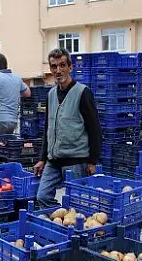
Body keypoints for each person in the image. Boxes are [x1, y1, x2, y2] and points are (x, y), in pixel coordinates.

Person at [34, 48, 103, 209]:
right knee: (42, 196)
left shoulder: (83, 92)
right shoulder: (50, 94)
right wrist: (42, 158)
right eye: (54, 67)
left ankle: (72, 226)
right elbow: (48, 128)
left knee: (77, 205)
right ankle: (62, 222)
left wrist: (93, 161)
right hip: (53, 160)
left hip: (76, 160)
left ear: (70, 67)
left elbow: (95, 129)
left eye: (62, 65)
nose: (58, 70)